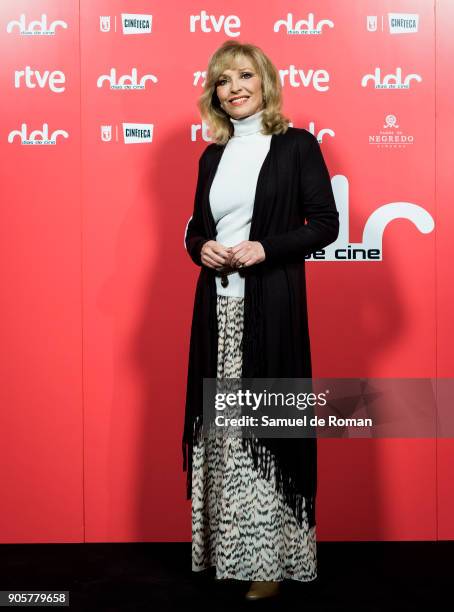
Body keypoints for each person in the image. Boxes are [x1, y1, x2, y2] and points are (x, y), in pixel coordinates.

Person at [182, 40, 339, 601]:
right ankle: (228, 551)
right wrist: (200, 247)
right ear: (214, 93)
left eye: (245, 75)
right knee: (223, 435)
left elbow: (325, 224)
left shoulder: (297, 145)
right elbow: (195, 227)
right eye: (224, 81)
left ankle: (270, 560)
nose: (235, 88)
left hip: (269, 308)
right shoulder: (212, 155)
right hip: (217, 310)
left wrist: (265, 248)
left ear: (266, 82)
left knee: (265, 432)